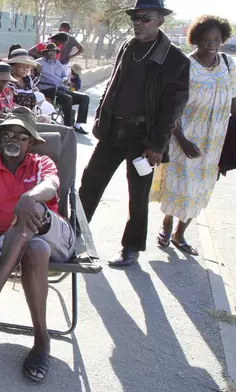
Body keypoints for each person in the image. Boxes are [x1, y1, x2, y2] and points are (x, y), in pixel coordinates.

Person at [0, 108, 75, 383]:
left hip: (55, 234)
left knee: (30, 210)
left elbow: (53, 185)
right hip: (10, 242)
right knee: (36, 249)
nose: (13, 139)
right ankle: (42, 342)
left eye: (21, 136)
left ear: (30, 142)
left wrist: (28, 197)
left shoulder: (42, 163)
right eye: (8, 133)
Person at [79, 0, 190, 267]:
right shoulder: (128, 47)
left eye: (145, 18)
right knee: (89, 184)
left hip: (144, 139)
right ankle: (73, 236)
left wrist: (156, 145)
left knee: (138, 195)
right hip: (113, 131)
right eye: (136, 18)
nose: (138, 23)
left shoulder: (175, 60)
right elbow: (113, 85)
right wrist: (101, 118)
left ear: (160, 21)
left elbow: (171, 110)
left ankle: (131, 247)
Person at [150, 15, 235, 256]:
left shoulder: (229, 64)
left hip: (215, 140)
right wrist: (182, 139)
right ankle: (167, 225)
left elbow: (234, 100)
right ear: (196, 39)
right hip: (184, 137)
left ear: (222, 39)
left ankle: (180, 234)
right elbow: (172, 107)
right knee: (181, 186)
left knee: (201, 188)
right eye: (206, 39)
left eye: (217, 39)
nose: (212, 44)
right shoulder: (184, 66)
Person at [36, 43, 90, 132]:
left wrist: (65, 79)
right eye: (49, 52)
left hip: (60, 88)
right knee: (68, 98)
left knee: (84, 98)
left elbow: (64, 75)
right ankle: (68, 126)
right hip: (48, 89)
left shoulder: (57, 63)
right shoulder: (39, 62)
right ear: (45, 53)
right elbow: (32, 67)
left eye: (54, 52)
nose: (52, 54)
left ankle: (77, 125)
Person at [6, 49, 54, 121]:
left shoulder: (28, 79)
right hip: (17, 115)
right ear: (12, 66)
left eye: (28, 67)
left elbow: (35, 91)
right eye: (22, 66)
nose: (25, 69)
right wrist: (28, 113)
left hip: (32, 113)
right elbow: (10, 102)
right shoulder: (8, 81)